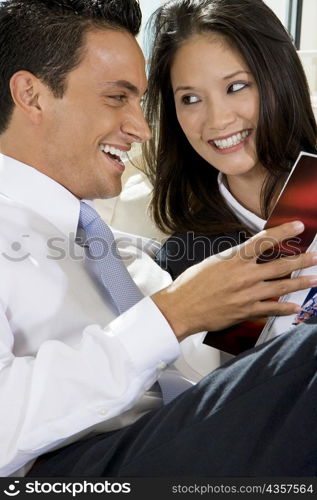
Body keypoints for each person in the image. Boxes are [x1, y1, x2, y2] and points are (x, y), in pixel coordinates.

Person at [0, 0, 316, 478]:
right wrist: (174, 313)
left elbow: (212, 369)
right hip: (74, 470)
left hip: (178, 437)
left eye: (139, 101)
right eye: (116, 97)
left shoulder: (111, 248)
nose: (143, 130)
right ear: (32, 95)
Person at [143, 0, 317, 280]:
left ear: (279, 79)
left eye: (236, 87)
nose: (218, 120)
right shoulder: (184, 264)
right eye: (190, 99)